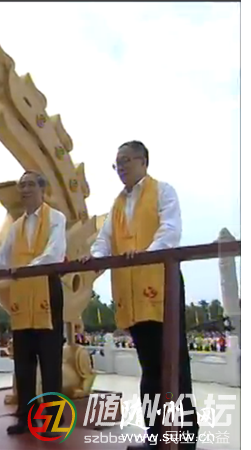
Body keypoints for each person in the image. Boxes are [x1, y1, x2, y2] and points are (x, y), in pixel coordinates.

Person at [83, 141, 198, 450]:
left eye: (126, 161)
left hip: (161, 285)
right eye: (117, 163)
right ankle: (156, 436)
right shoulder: (117, 204)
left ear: (144, 161)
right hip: (132, 293)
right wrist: (95, 258)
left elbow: (170, 231)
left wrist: (146, 255)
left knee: (173, 365)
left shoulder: (163, 191)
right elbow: (105, 239)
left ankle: (184, 439)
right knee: (149, 368)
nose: (121, 168)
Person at [0, 171, 67, 436]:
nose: (25, 190)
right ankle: (25, 417)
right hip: (22, 294)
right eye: (22, 185)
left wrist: (26, 269)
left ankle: (54, 419)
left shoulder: (56, 218)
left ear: (42, 189)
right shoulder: (17, 227)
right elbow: (1, 257)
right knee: (23, 360)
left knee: (50, 360)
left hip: (46, 290)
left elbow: (54, 253)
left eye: (30, 184)